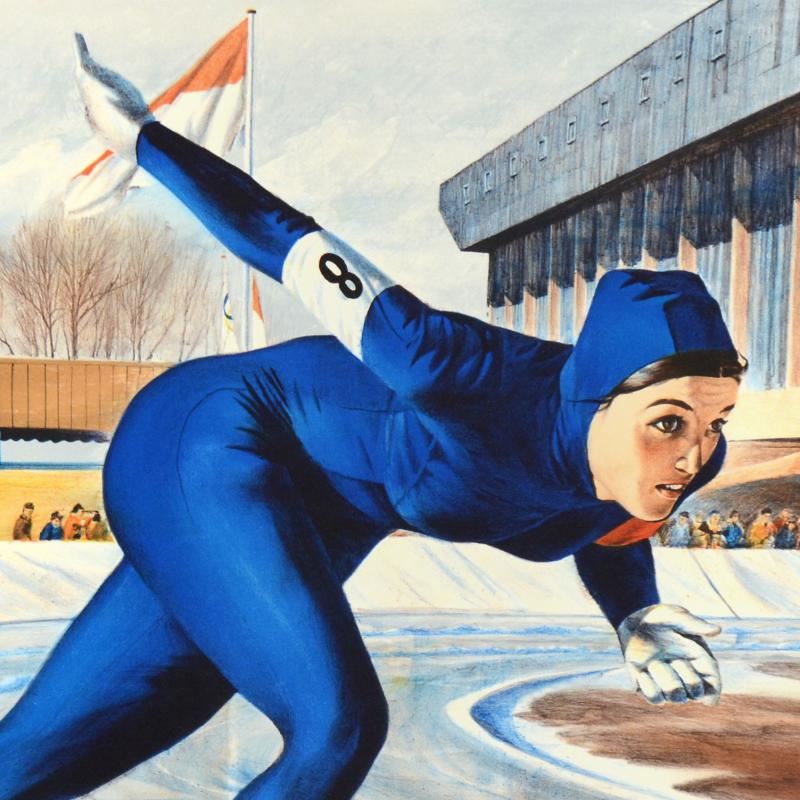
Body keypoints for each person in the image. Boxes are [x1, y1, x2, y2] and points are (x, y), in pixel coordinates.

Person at [0, 37, 745, 799]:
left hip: (323, 514)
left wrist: (634, 615)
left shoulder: (678, 462)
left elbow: (610, 528)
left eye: (716, 421)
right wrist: (143, 138)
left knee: (48, 756)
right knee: (337, 729)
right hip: (214, 436)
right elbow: (284, 239)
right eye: (669, 423)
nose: (696, 454)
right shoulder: (457, 368)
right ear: (594, 399)